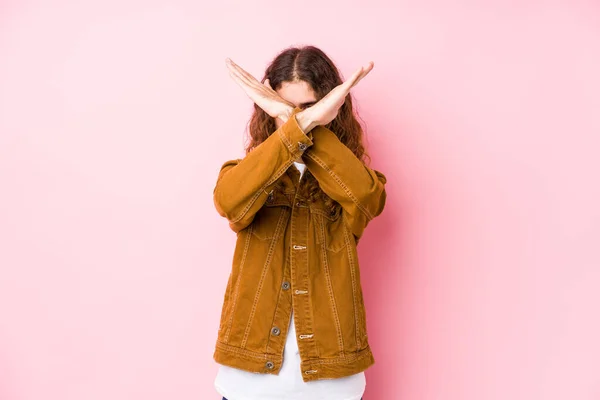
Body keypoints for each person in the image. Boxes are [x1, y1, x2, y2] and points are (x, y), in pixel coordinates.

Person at [212, 45, 387, 400]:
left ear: (332, 108)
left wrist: (299, 125)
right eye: (285, 108)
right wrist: (298, 126)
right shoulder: (246, 171)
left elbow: (369, 198)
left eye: (308, 109)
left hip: (332, 381)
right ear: (267, 106)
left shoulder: (351, 177)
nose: (296, 117)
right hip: (248, 380)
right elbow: (229, 201)